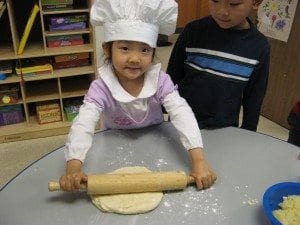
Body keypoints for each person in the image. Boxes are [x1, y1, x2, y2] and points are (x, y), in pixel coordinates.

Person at [59, 0, 216, 192]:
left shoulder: (160, 81)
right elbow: (83, 124)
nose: (135, 58)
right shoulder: (101, 88)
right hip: (113, 145)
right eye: (125, 48)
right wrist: (73, 167)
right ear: (107, 49)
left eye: (145, 50)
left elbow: (181, 113)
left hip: (157, 144)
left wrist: (199, 160)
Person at [167, 0, 270, 132]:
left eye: (234, 4)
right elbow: (171, 79)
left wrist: (249, 132)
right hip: (182, 121)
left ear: (256, 3)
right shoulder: (192, 31)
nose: (222, 11)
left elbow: (254, 96)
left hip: (224, 127)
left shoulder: (259, 46)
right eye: (215, 1)